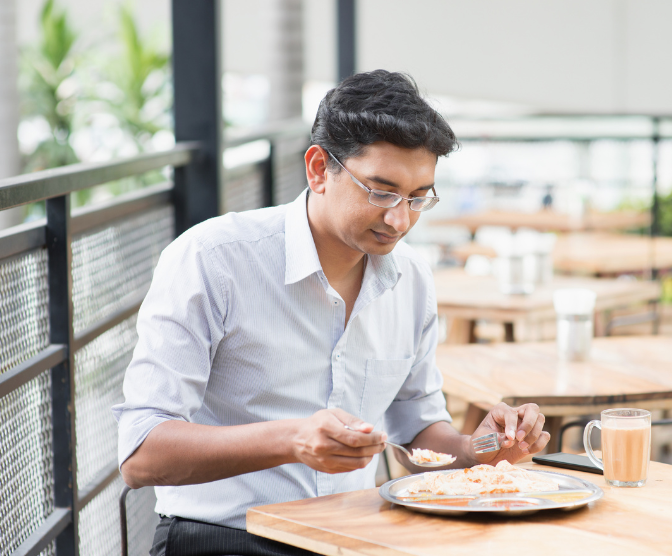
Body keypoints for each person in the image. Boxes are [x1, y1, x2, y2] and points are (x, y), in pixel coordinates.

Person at [113, 70, 550, 556]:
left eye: (417, 197)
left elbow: (418, 431)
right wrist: (291, 439)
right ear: (319, 169)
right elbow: (141, 453)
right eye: (381, 191)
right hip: (223, 537)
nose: (399, 220)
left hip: (354, 535)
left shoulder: (411, 279)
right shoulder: (212, 259)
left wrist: (479, 450)